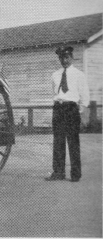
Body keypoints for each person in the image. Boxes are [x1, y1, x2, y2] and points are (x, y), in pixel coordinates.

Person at [46, 46, 90, 182]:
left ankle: (75, 174)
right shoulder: (55, 75)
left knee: (73, 142)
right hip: (59, 109)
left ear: (71, 57)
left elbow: (84, 97)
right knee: (58, 142)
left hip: (71, 109)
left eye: (67, 57)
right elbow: (55, 93)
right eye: (61, 58)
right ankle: (58, 172)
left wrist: (83, 114)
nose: (64, 60)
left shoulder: (79, 75)